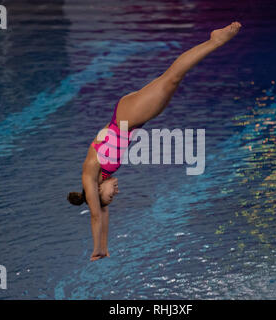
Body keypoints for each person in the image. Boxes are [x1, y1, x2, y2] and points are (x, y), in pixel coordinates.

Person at [68, 22, 242, 261]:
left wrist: (95, 246)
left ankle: (215, 41)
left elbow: (96, 215)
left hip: (126, 116)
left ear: (95, 191)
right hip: (132, 119)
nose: (115, 193)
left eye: (110, 195)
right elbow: (104, 214)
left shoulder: (90, 173)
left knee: (172, 77)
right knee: (172, 80)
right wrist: (102, 248)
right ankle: (213, 42)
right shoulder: (102, 179)